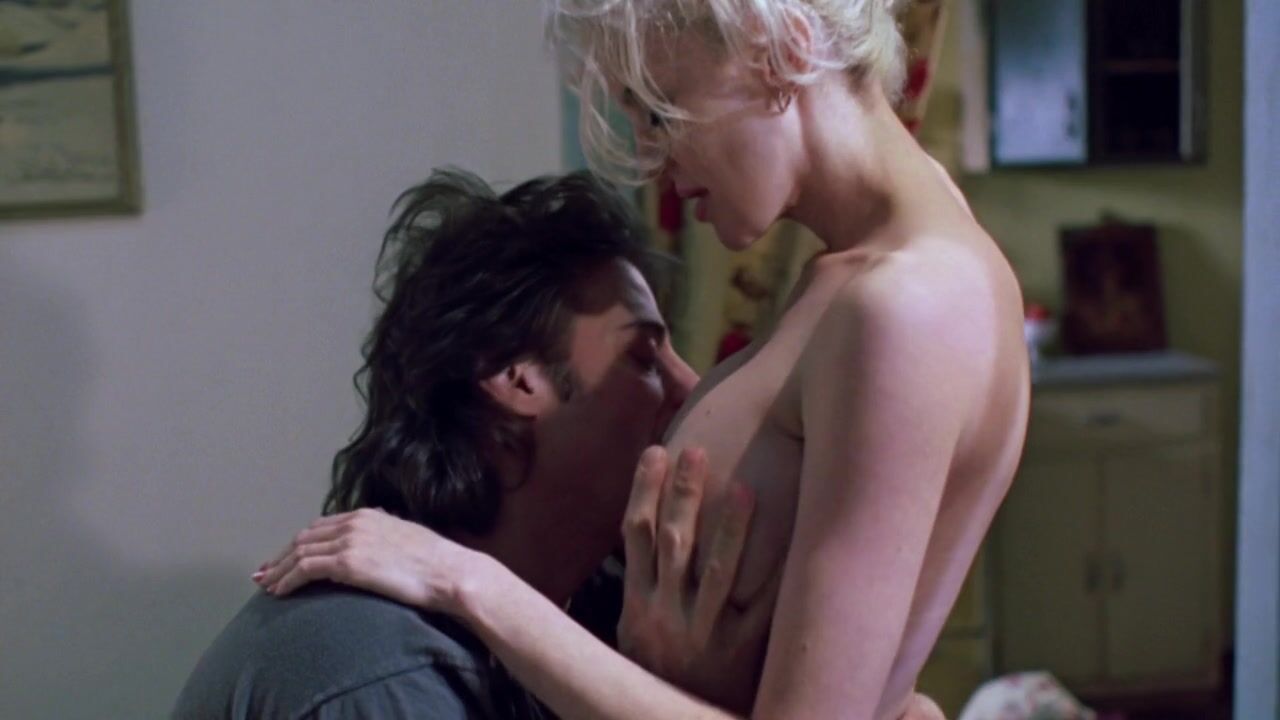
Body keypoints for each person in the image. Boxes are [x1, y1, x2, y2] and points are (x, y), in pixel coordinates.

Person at [258, 1, 1030, 717]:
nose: (655, 160)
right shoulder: (870, 276)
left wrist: (463, 580)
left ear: (782, 49)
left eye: (663, 111)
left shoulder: (906, 304)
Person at [173, 168, 711, 718]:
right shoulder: (379, 667)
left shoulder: (601, 618)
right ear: (517, 377)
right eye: (644, 358)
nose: (691, 391)